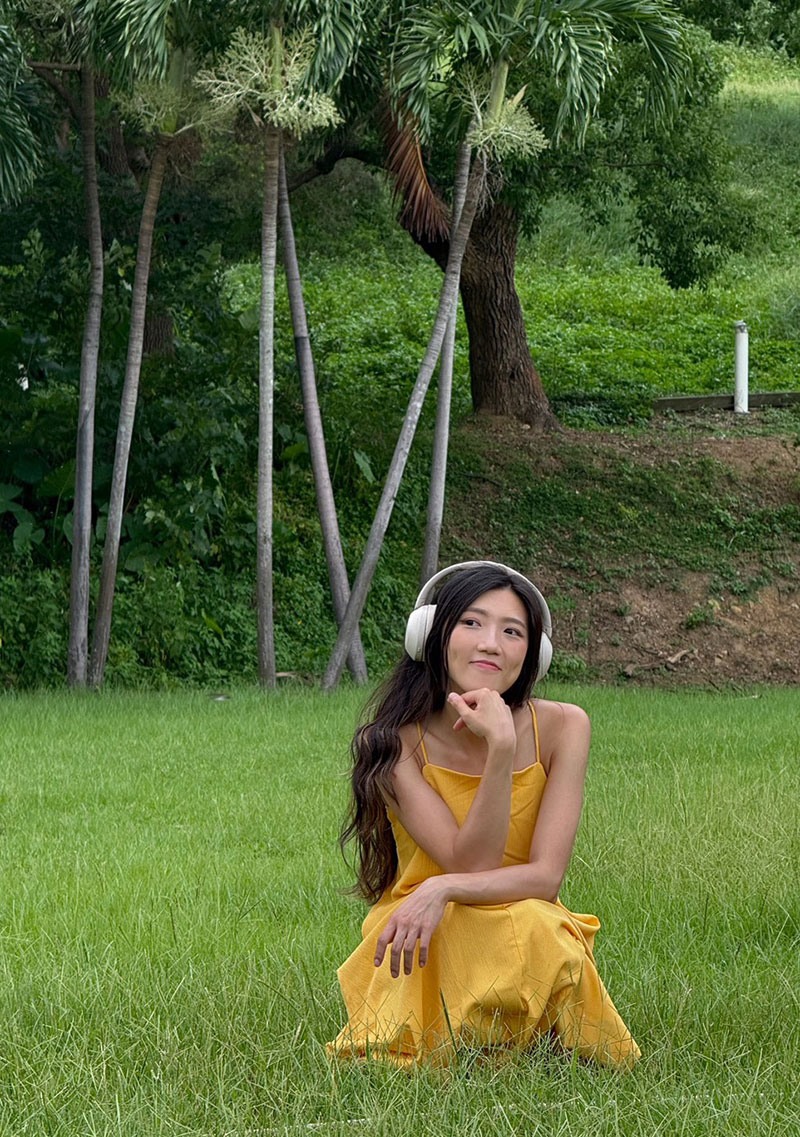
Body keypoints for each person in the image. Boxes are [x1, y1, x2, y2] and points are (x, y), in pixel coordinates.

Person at [328, 561, 640, 1069]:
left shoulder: (566, 726)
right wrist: (501, 751)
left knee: (539, 924)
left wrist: (444, 886)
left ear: (533, 654)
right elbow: (472, 861)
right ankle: (500, 1041)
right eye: (471, 623)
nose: (491, 644)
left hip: (517, 912)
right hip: (426, 923)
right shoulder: (389, 744)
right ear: (431, 635)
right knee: (462, 929)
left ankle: (516, 1039)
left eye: (512, 632)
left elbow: (545, 878)